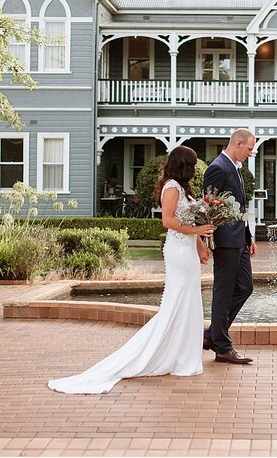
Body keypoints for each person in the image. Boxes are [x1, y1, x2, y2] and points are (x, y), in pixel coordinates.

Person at [47, 146, 214, 394]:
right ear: (184, 166)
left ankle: (182, 357)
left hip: (188, 250)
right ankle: (166, 355)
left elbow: (188, 222)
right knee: (177, 301)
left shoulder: (183, 190)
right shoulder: (171, 187)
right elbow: (168, 221)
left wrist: (199, 245)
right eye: (192, 164)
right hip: (178, 253)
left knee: (189, 302)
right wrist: (197, 232)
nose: (194, 169)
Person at [202, 128, 257, 365]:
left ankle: (212, 336)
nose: (250, 153)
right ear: (237, 143)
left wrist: (248, 236)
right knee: (223, 293)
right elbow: (209, 207)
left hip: (239, 240)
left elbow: (239, 208)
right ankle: (222, 346)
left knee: (245, 286)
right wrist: (206, 242)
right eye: (249, 149)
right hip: (225, 242)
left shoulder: (235, 168)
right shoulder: (217, 168)